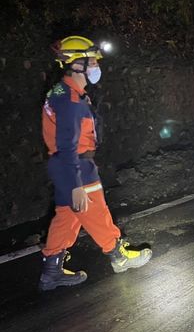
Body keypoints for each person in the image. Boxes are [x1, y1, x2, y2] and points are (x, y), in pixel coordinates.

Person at [39, 35, 152, 291]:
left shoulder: (61, 91)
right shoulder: (71, 100)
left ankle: (50, 271)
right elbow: (68, 142)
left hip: (62, 166)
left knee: (67, 216)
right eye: (91, 61)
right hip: (76, 166)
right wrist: (77, 182)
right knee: (96, 212)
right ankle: (119, 256)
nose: (95, 67)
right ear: (76, 64)